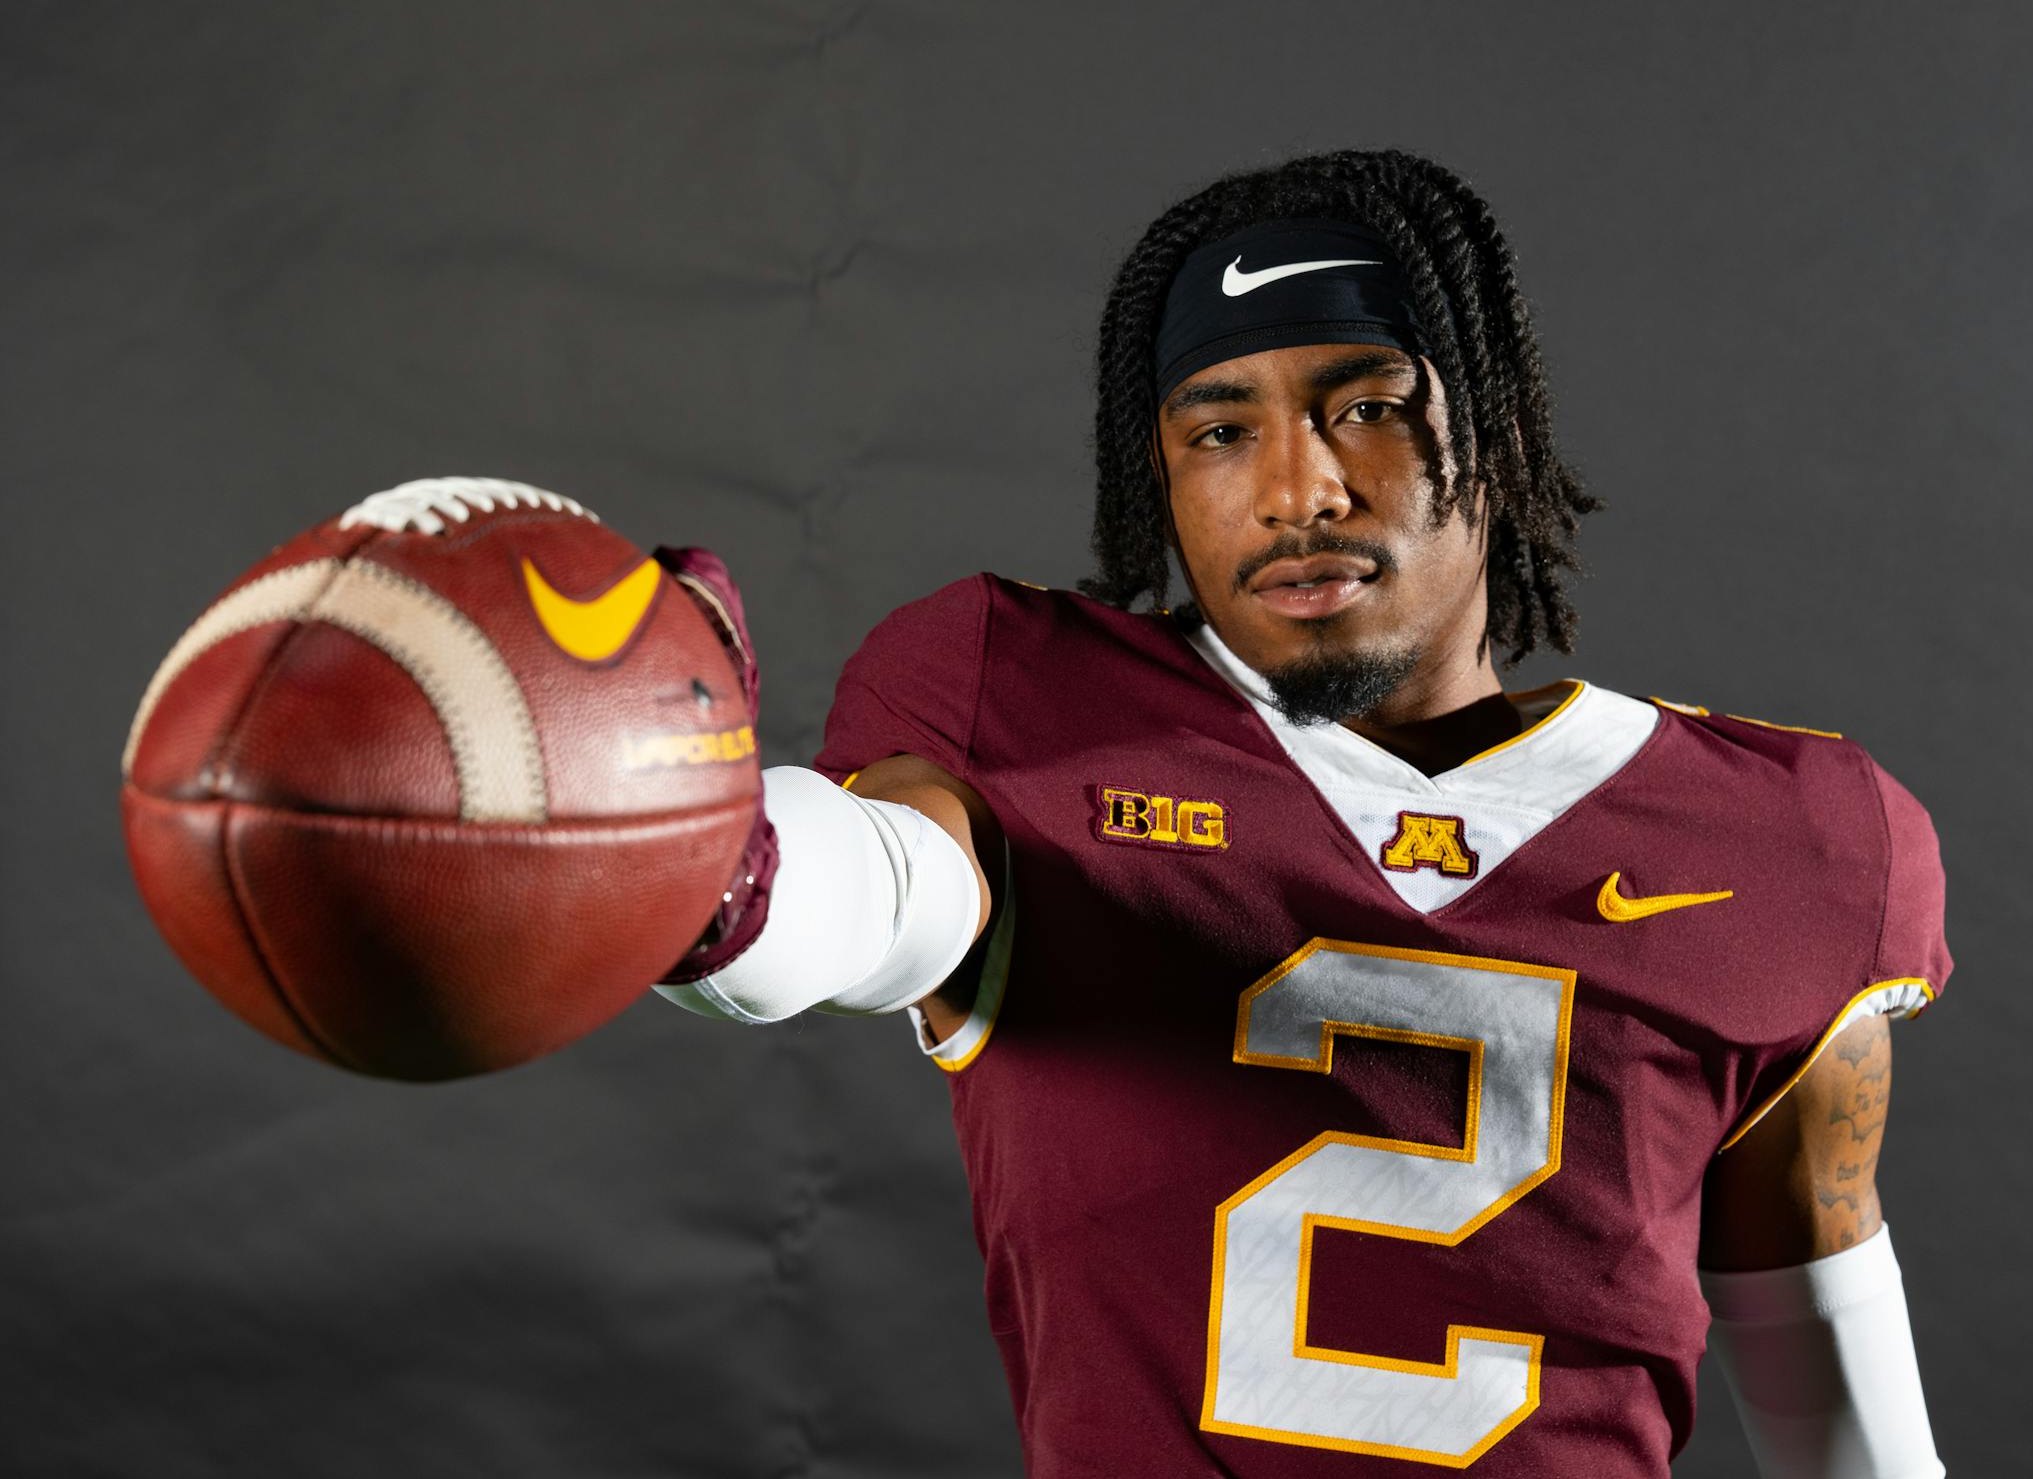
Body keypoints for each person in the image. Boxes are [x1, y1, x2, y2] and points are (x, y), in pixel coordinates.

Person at [649, 149, 1950, 1478]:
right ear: (1156, 470)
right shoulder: (1028, 703)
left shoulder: (1791, 837)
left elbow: (1829, 1365)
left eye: (1368, 407)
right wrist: (700, 863)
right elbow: (890, 890)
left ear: (1492, 429)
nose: (1297, 489)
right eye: (1220, 428)